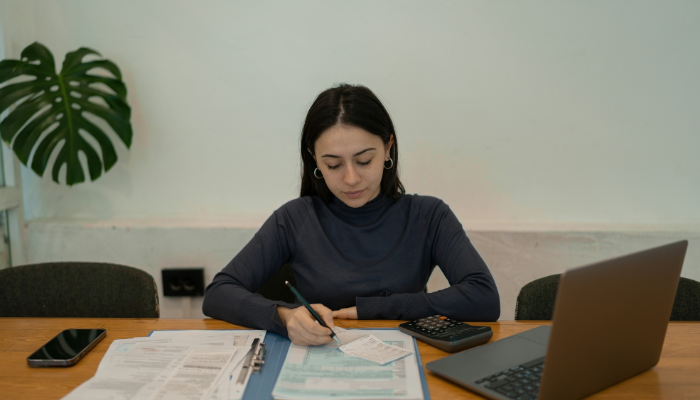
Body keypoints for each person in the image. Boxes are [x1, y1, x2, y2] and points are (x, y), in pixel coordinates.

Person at [203, 84, 500, 346]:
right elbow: (218, 293)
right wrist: (284, 316)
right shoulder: (295, 218)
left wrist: (372, 310)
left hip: (401, 361)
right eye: (333, 165)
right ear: (314, 159)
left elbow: (483, 298)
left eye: (364, 160)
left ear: (388, 148)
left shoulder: (429, 215)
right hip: (312, 362)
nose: (351, 179)